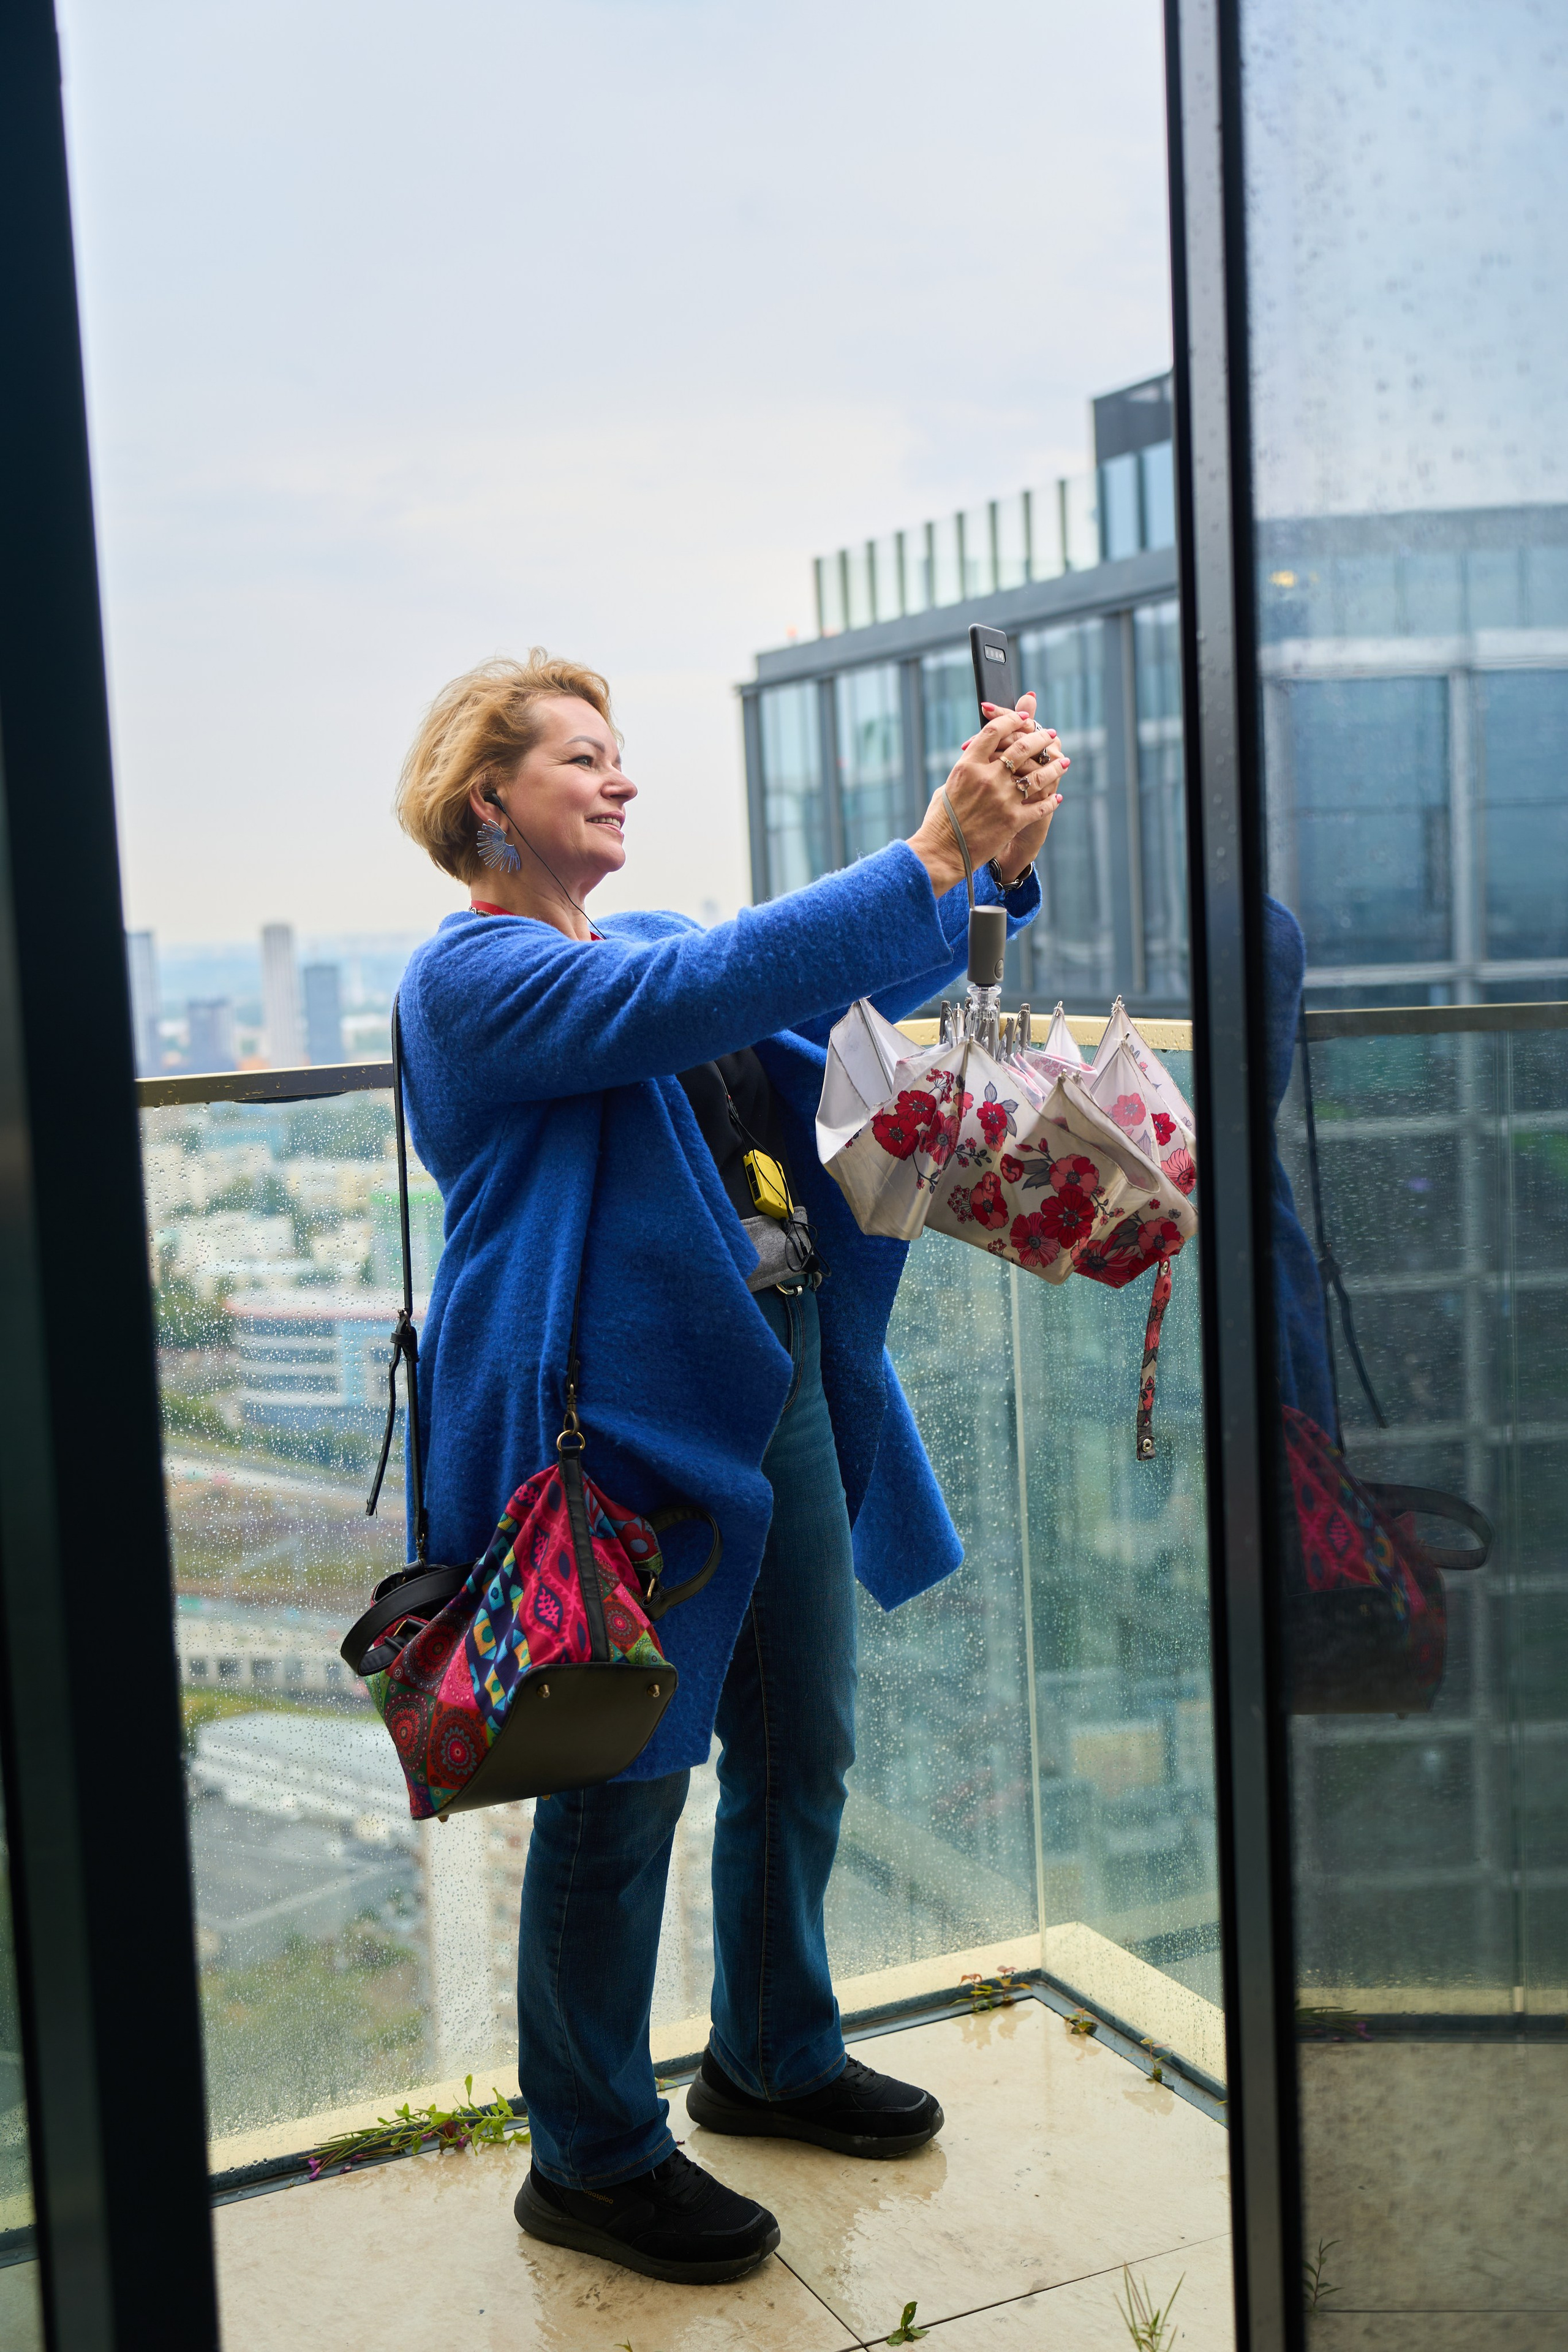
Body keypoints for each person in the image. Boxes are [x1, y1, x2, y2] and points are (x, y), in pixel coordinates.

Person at [393, 650, 1066, 2286]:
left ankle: (770, 2050)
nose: (621, 782)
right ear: (492, 799)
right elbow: (689, 1002)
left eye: (624, 759)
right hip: (603, 1439)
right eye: (583, 759)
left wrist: (993, 872)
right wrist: (926, 849)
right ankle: (594, 2155)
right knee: (617, 1790)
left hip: (770, 1390)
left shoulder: (647, 942)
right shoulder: (470, 980)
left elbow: (811, 994)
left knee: (798, 1738)